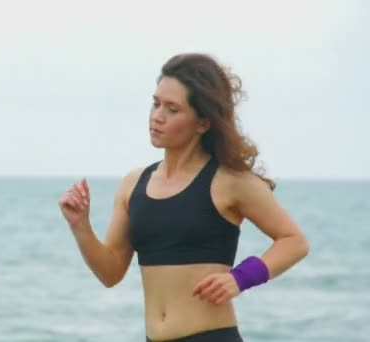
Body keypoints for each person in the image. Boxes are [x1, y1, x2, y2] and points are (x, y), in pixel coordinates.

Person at [57, 53, 310, 342]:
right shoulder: (133, 184)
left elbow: (294, 241)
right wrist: (81, 226)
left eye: (172, 109)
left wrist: (240, 278)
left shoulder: (229, 182)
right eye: (155, 103)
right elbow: (111, 272)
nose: (157, 116)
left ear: (203, 123)